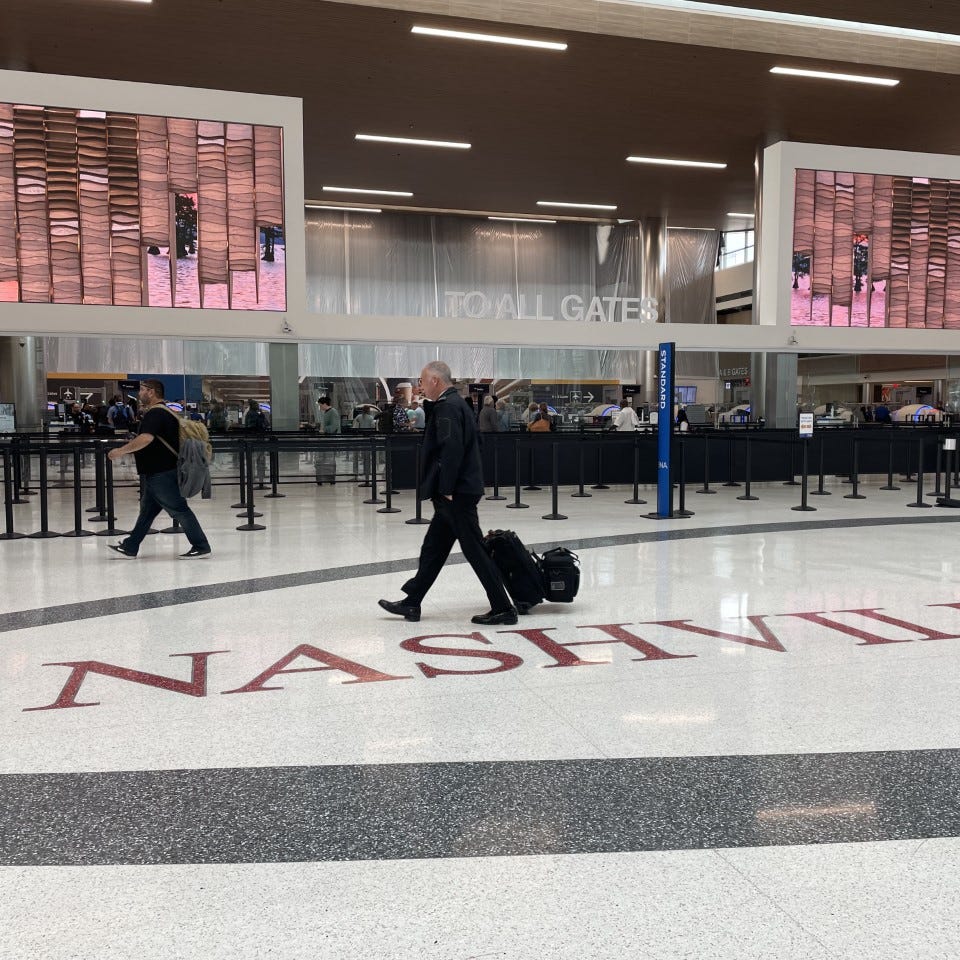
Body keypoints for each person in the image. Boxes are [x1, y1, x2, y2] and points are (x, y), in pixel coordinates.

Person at [379, 360, 517, 626]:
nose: (419, 386)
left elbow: (450, 449)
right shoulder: (457, 405)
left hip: (456, 494)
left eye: (422, 381)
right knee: (433, 548)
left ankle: (503, 608)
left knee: (475, 549)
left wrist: (448, 488)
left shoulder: (448, 407)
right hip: (458, 490)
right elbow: (475, 442)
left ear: (435, 381)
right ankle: (412, 602)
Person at [106, 379, 211, 559]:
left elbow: (146, 438)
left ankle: (201, 546)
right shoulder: (166, 412)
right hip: (159, 471)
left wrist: (120, 451)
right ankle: (130, 547)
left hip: (160, 472)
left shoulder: (155, 413)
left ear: (152, 392)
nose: (139, 394)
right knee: (147, 511)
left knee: (179, 509)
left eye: (142, 390)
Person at [315, 395, 340, 484]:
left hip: (330, 440)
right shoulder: (327, 412)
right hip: (326, 439)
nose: (320, 407)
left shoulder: (333, 412)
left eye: (320, 405)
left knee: (329, 459)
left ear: (325, 404)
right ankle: (324, 478)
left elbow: (334, 426)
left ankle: (329, 478)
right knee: (324, 459)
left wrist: (324, 430)